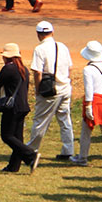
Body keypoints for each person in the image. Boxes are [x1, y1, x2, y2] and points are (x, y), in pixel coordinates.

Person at [0, 43, 39, 173]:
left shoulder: (8, 69)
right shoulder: (24, 69)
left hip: (12, 108)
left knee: (7, 136)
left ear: (6, 57)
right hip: (23, 106)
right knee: (17, 137)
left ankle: (31, 154)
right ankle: (14, 166)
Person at [27, 20, 75, 162]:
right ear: (52, 32)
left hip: (49, 90)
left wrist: (37, 89)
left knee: (40, 121)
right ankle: (68, 150)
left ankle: (31, 150)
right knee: (65, 120)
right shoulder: (62, 46)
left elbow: (37, 72)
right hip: (65, 87)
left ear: (38, 34)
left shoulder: (39, 49)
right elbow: (70, 68)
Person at [73, 40, 102, 169]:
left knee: (86, 130)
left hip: (94, 100)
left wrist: (88, 105)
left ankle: (83, 157)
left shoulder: (88, 69)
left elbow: (89, 89)